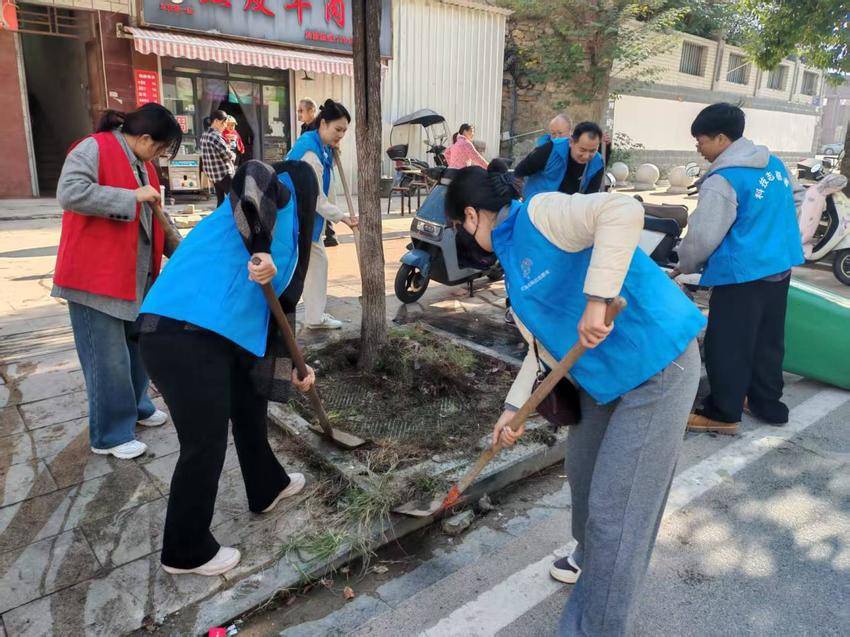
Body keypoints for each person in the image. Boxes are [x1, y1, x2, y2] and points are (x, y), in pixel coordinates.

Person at [445, 163, 705, 636]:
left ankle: (595, 623)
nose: (464, 236)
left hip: (659, 365)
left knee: (618, 512)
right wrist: (512, 409)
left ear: (470, 215)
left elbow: (622, 211)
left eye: (459, 226)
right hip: (604, 379)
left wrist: (597, 299)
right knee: (583, 477)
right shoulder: (511, 260)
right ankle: (594, 559)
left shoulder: (541, 213)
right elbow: (542, 347)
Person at [137, 159, 319, 576]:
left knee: (251, 407)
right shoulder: (279, 190)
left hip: (222, 335)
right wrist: (261, 247)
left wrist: (295, 363)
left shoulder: (293, 237)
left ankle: (267, 486)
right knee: (205, 441)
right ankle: (185, 551)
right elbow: (251, 179)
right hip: (180, 329)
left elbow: (278, 309)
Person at [52, 103, 182, 459]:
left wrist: (184, 252)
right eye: (161, 148)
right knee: (107, 360)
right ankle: (109, 435)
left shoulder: (144, 165)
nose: (159, 156)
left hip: (135, 279)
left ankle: (137, 407)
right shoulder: (94, 148)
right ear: (145, 138)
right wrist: (130, 197)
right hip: (95, 279)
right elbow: (69, 192)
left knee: (137, 351)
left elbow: (157, 217)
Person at [678, 103, 804, 435]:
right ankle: (767, 404)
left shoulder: (724, 178)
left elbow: (702, 237)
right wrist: (771, 233)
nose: (699, 149)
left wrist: (683, 264)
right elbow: (797, 199)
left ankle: (723, 413)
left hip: (742, 273)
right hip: (779, 265)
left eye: (701, 141)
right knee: (767, 340)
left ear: (721, 138)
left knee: (728, 344)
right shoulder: (774, 164)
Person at [286, 98, 359, 330]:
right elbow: (316, 199)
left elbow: (325, 177)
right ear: (323, 123)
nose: (341, 135)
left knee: (312, 266)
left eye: (344, 131)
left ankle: (313, 316)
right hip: (296, 216)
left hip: (302, 215)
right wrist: (343, 217)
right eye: (337, 129)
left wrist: (333, 151)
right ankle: (312, 318)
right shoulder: (311, 154)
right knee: (310, 266)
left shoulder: (318, 144)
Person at [515, 121, 606, 200]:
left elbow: (591, 197)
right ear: (571, 142)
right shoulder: (551, 149)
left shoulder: (598, 163)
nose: (586, 156)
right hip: (536, 207)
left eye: (592, 151)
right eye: (582, 150)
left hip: (568, 209)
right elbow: (519, 172)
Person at [297, 98, 338, 248]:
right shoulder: (304, 128)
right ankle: (326, 232)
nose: (299, 113)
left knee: (323, 198)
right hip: (308, 169)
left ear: (312, 111)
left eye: (301, 110)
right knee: (317, 200)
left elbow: (327, 146)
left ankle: (330, 233)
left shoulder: (318, 127)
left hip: (321, 167)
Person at [200, 110, 236, 206]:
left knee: (220, 201)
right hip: (224, 174)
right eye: (223, 123)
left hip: (214, 175)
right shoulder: (215, 136)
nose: (225, 126)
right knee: (235, 200)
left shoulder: (204, 135)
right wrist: (234, 154)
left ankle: (220, 216)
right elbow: (228, 155)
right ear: (216, 121)